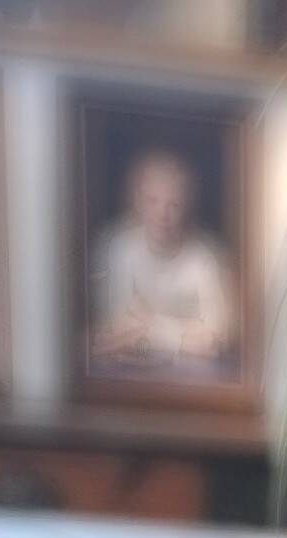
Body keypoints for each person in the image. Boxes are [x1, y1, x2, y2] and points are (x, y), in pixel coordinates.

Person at [90, 146, 236, 375]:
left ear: (187, 206)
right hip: (128, 376)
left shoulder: (205, 258)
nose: (163, 214)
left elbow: (216, 340)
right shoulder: (120, 248)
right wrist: (185, 334)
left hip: (195, 380)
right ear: (137, 202)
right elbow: (114, 328)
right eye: (153, 202)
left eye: (173, 204)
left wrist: (147, 327)